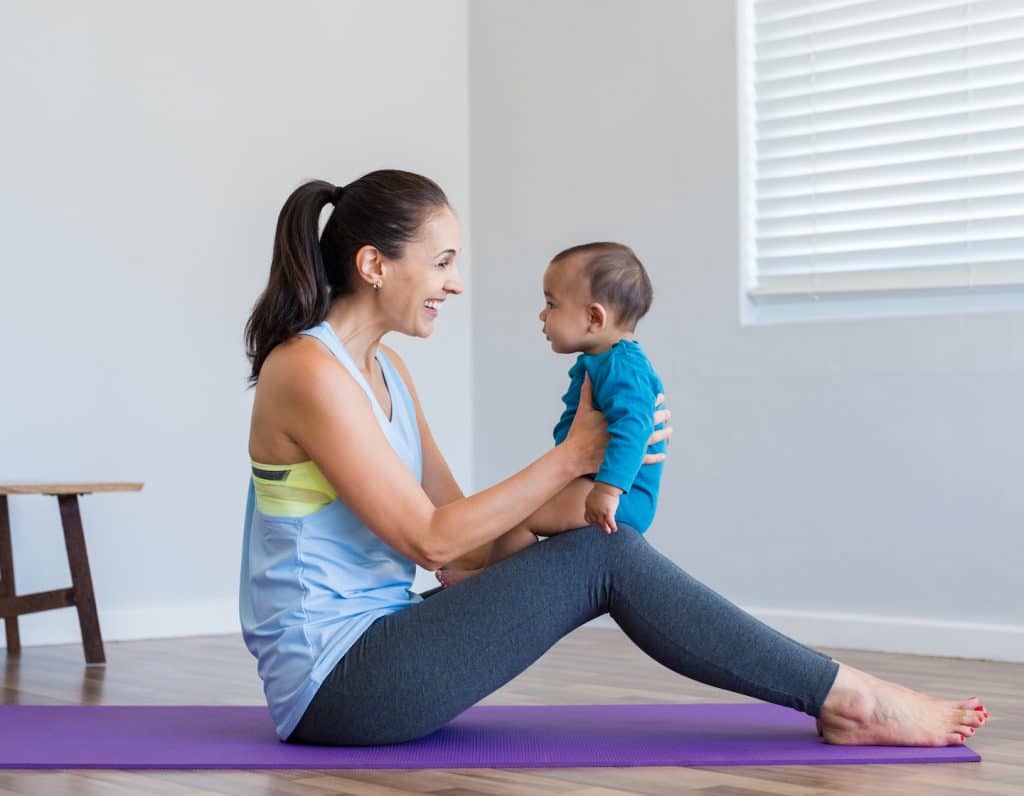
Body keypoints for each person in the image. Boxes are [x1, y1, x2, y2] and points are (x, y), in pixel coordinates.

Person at [240, 169, 989, 747]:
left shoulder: (388, 374)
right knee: (606, 556)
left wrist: (591, 493)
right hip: (339, 683)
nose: (455, 283)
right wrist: (573, 460)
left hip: (383, 644)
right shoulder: (307, 372)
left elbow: (463, 557)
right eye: (441, 262)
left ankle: (842, 696)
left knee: (605, 548)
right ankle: (852, 701)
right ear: (375, 264)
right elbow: (431, 539)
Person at [437, 241, 666, 588]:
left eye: (551, 304)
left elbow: (635, 429)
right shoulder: (601, 361)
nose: (542, 315)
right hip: (598, 486)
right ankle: (492, 575)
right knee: (523, 510)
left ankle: (486, 583)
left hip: (623, 496)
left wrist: (607, 490)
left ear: (594, 317)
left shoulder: (623, 365)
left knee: (520, 515)